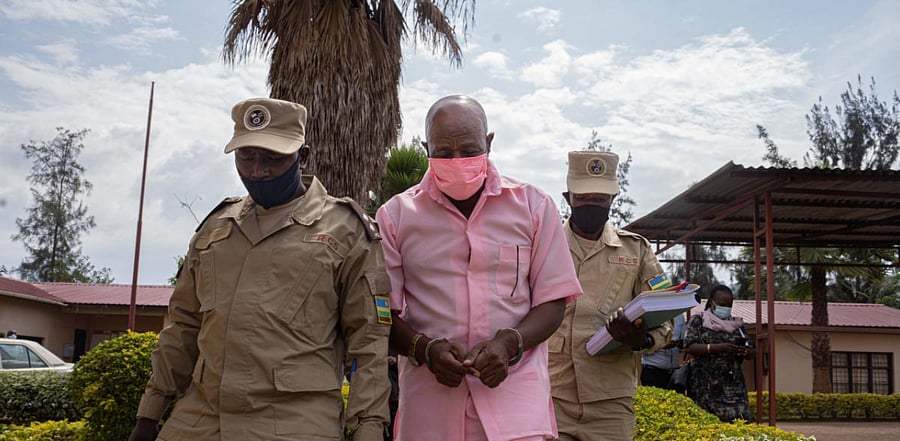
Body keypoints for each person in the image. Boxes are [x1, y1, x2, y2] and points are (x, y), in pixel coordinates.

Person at [129, 97, 391, 441]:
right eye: (246, 156)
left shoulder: (346, 231)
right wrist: (149, 414)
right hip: (202, 421)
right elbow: (183, 328)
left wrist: (367, 429)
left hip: (295, 423)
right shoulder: (214, 230)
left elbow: (368, 342)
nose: (257, 170)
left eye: (273, 158)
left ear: (303, 155)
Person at [376, 95, 582, 441]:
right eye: (443, 151)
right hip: (431, 410)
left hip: (517, 409)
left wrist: (511, 343)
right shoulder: (396, 216)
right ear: (427, 147)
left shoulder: (533, 206)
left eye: (469, 149)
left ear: (488, 143)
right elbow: (382, 311)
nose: (457, 161)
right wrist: (424, 349)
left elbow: (553, 300)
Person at [548, 150, 673, 441]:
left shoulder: (637, 250)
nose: (592, 204)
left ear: (612, 200)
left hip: (610, 401)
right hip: (550, 394)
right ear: (568, 198)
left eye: (600, 199)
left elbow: (666, 313)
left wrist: (641, 340)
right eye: (583, 198)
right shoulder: (544, 243)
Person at [683, 285, 754, 422]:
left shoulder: (737, 326)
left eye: (729, 305)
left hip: (733, 387)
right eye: (722, 304)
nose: (726, 308)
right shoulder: (699, 321)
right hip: (705, 386)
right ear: (711, 302)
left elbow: (752, 351)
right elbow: (689, 346)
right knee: (707, 424)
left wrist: (745, 351)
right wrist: (718, 348)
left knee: (739, 423)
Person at [641, 313, 686, 390]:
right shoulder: (651, 315)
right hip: (653, 370)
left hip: (674, 372)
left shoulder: (680, 316)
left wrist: (679, 343)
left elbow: (683, 342)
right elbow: (642, 344)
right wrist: (664, 344)